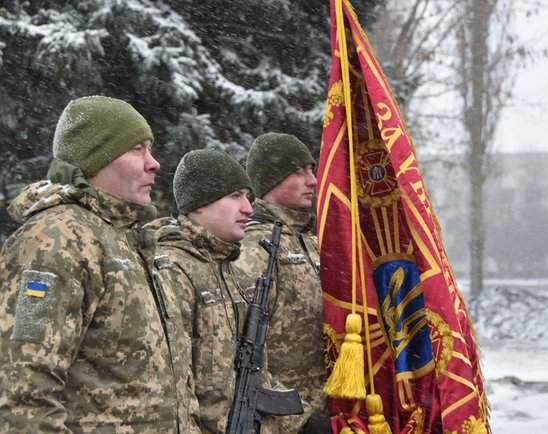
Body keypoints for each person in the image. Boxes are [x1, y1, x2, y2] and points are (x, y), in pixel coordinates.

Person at [0, 96, 199, 433]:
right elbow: (24, 391)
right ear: (96, 160)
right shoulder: (57, 239)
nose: (154, 164)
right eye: (137, 149)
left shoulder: (127, 238)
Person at [149, 149, 280, 434]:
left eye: (248, 197)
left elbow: (258, 372)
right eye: (235, 196)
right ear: (199, 204)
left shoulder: (235, 273)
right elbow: (170, 389)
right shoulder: (172, 270)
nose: (247, 208)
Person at [236, 132, 328, 433]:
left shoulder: (313, 242)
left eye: (311, 170)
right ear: (271, 180)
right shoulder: (255, 247)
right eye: (298, 171)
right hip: (284, 422)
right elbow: (240, 346)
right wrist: (298, 421)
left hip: (331, 410)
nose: (312, 180)